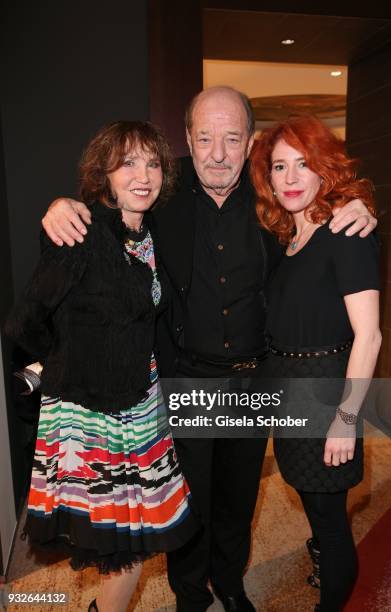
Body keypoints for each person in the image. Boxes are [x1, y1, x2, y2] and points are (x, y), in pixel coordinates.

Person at [41, 87, 378, 612]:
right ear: (188, 140)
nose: (217, 153)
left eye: (232, 138)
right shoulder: (162, 190)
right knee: (188, 502)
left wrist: (357, 203)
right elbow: (113, 202)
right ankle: (190, 595)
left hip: (254, 382)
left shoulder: (274, 198)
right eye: (204, 138)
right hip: (186, 379)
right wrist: (63, 205)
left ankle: (230, 584)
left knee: (239, 501)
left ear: (249, 146)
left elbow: (320, 201)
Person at [6, 120, 198, 612]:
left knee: (139, 534)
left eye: (153, 163)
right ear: (104, 173)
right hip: (91, 415)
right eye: (128, 162)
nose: (143, 174)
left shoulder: (152, 229)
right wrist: (62, 366)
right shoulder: (82, 230)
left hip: (143, 407)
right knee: (119, 541)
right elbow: (25, 321)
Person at [250, 115, 381, 611]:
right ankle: (324, 559)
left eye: (303, 164)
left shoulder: (346, 231)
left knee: (330, 521)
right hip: (290, 392)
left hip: (327, 395)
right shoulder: (289, 239)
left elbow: (369, 336)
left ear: (325, 168)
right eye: (279, 166)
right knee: (316, 509)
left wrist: (346, 420)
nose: (289, 178)